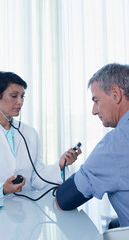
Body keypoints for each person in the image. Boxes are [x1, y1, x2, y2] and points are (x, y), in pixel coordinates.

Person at [0, 71, 81, 200]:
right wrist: (2, 189)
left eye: (22, 96)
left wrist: (60, 165)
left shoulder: (30, 133)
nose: (20, 102)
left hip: (26, 210)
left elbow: (36, 178)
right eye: (14, 96)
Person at [55, 63, 129, 227]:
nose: (94, 111)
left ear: (116, 94)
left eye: (96, 100)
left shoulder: (115, 144)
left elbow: (63, 200)